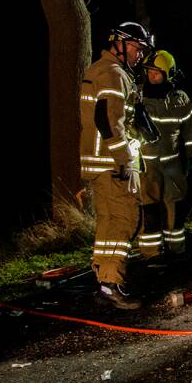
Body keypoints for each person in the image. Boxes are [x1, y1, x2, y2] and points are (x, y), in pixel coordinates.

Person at [80, 21, 153, 309]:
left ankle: (104, 281)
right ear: (120, 43)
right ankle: (112, 283)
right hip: (113, 163)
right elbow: (109, 120)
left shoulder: (99, 69)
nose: (140, 54)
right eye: (137, 48)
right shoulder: (113, 74)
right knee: (125, 219)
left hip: (99, 162)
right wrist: (124, 160)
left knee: (108, 221)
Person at [137, 49, 192, 260]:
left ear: (168, 74)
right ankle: (151, 253)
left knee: (175, 207)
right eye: (149, 72)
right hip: (147, 164)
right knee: (149, 207)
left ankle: (176, 250)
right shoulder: (139, 97)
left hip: (173, 163)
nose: (151, 76)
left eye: (156, 73)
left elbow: (190, 130)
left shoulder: (180, 99)